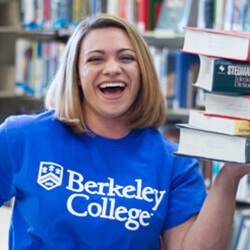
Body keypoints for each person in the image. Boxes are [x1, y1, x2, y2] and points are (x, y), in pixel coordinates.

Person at [0, 13, 249, 250]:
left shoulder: (174, 163)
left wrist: (229, 178)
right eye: (95, 59)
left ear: (142, 73)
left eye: (126, 58)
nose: (112, 68)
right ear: (76, 74)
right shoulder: (22, 137)